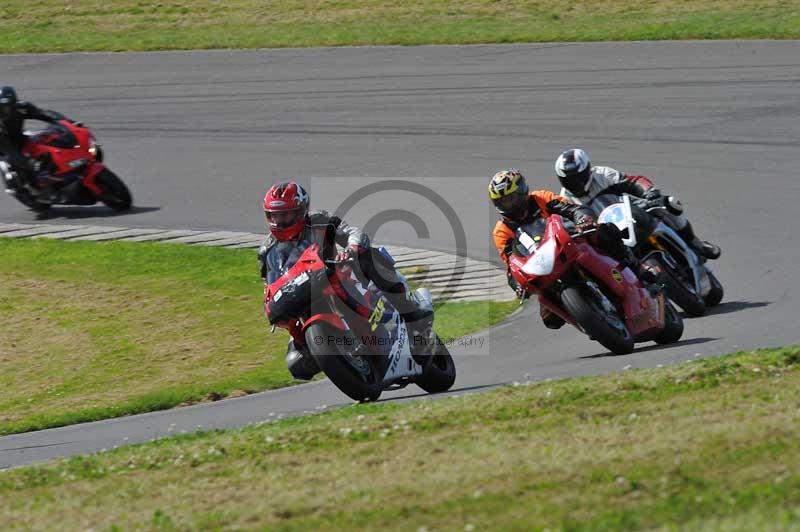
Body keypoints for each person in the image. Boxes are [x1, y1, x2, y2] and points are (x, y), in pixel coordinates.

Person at [258, 181, 433, 379]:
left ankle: (413, 314)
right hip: (304, 298)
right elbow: (270, 285)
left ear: (301, 210)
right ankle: (341, 358)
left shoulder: (320, 220)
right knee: (296, 363)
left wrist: (351, 249)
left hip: (339, 276)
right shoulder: (266, 251)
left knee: (371, 256)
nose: (279, 221)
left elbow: (353, 233)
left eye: (285, 215)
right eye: (274, 216)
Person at [489, 168, 654, 330]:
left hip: (568, 242)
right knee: (550, 318)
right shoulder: (501, 231)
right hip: (541, 266)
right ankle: (589, 317)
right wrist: (516, 284)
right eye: (503, 202)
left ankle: (635, 265)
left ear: (522, 190)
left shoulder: (541, 197)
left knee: (603, 232)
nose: (510, 205)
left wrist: (582, 218)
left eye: (512, 199)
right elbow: (511, 264)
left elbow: (569, 208)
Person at [554, 148, 720, 260]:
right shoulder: (565, 200)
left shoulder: (601, 175)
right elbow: (570, 226)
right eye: (568, 180)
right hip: (609, 234)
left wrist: (650, 192)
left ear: (587, 170)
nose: (574, 183)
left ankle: (696, 243)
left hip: (630, 211)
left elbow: (633, 181)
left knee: (670, 204)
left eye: (576, 178)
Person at [0, 86, 68, 199]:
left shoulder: (21, 107)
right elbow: (10, 152)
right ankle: (34, 190)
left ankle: (59, 173)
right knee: (13, 168)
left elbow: (42, 114)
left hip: (20, 137)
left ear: (13, 103)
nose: (2, 111)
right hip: (5, 147)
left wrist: (64, 122)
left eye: (4, 107)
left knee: (46, 144)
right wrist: (30, 163)